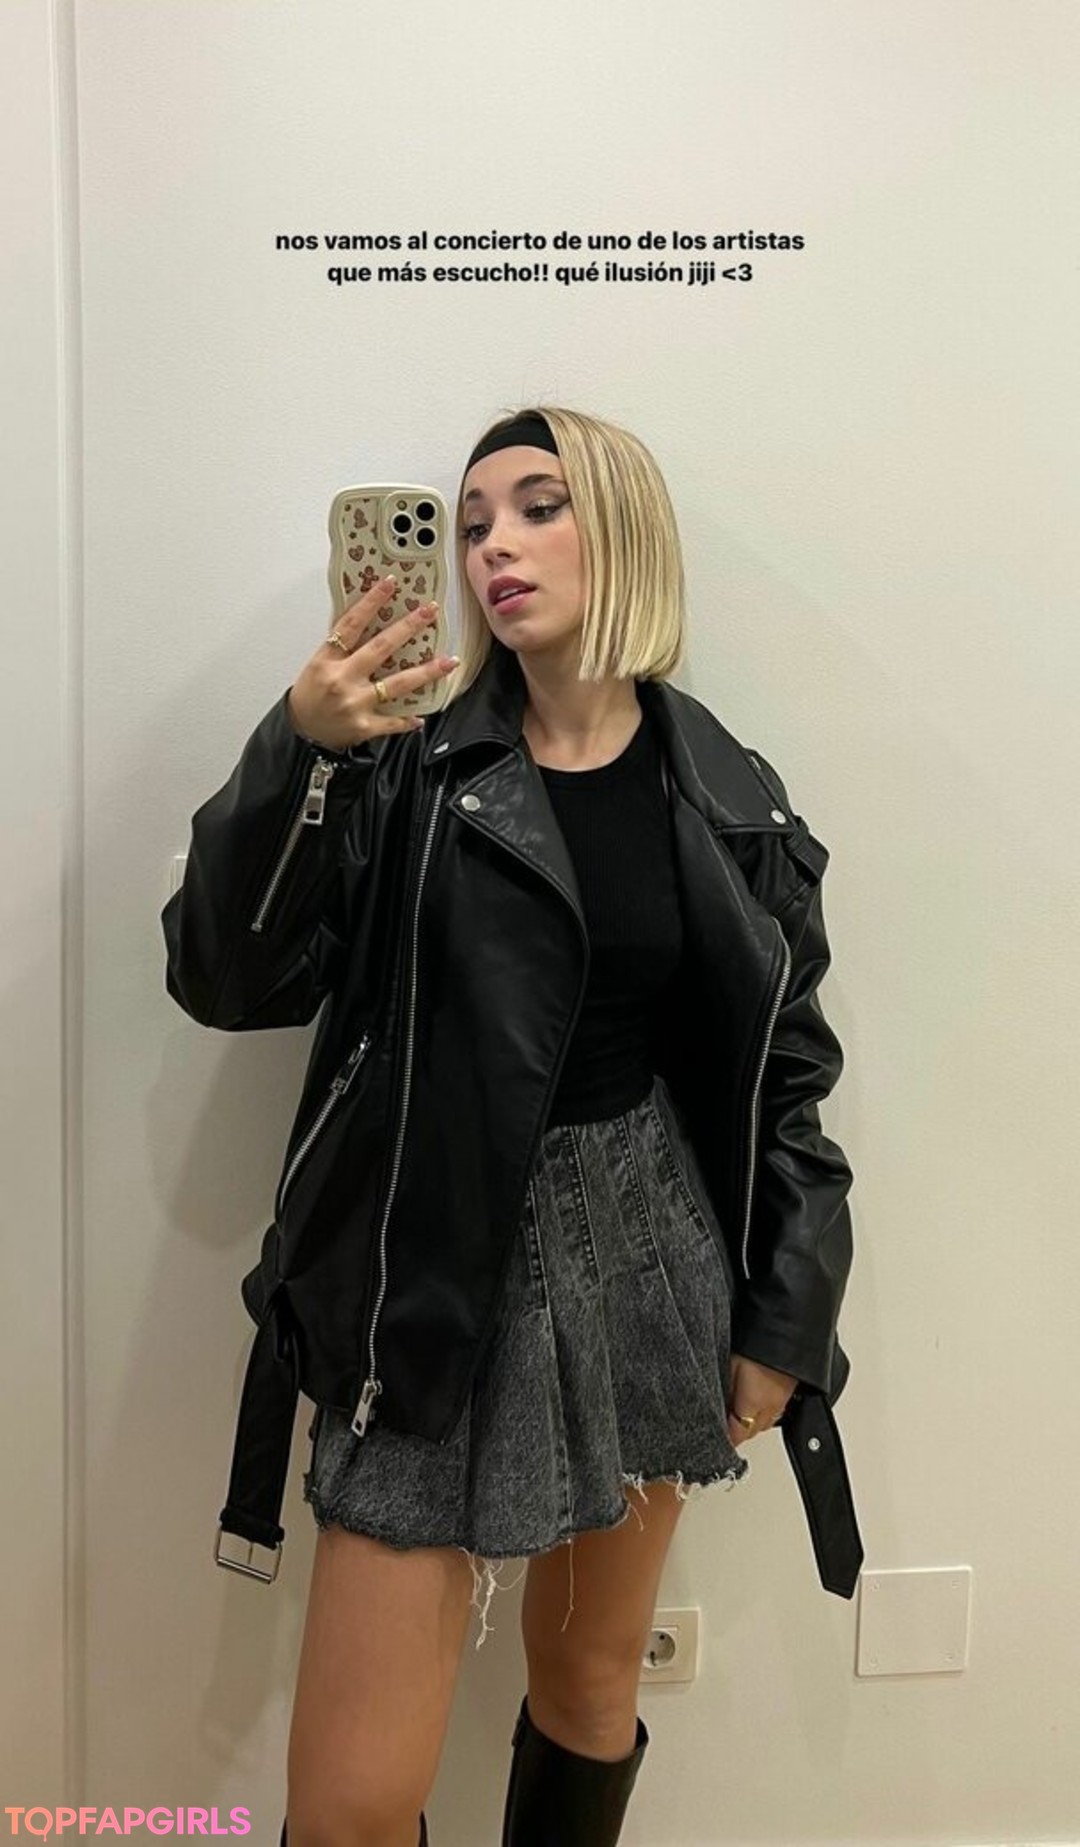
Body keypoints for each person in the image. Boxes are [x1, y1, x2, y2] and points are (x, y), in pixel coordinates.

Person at [161, 405, 861, 1847]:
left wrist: (788, 1312)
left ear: (626, 528)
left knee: (591, 1690)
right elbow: (224, 980)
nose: (493, 546)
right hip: (427, 1282)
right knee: (353, 1802)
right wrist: (302, 753)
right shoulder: (401, 764)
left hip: (649, 1260)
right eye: (473, 521)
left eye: (540, 506)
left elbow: (786, 1072)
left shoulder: (725, 790)